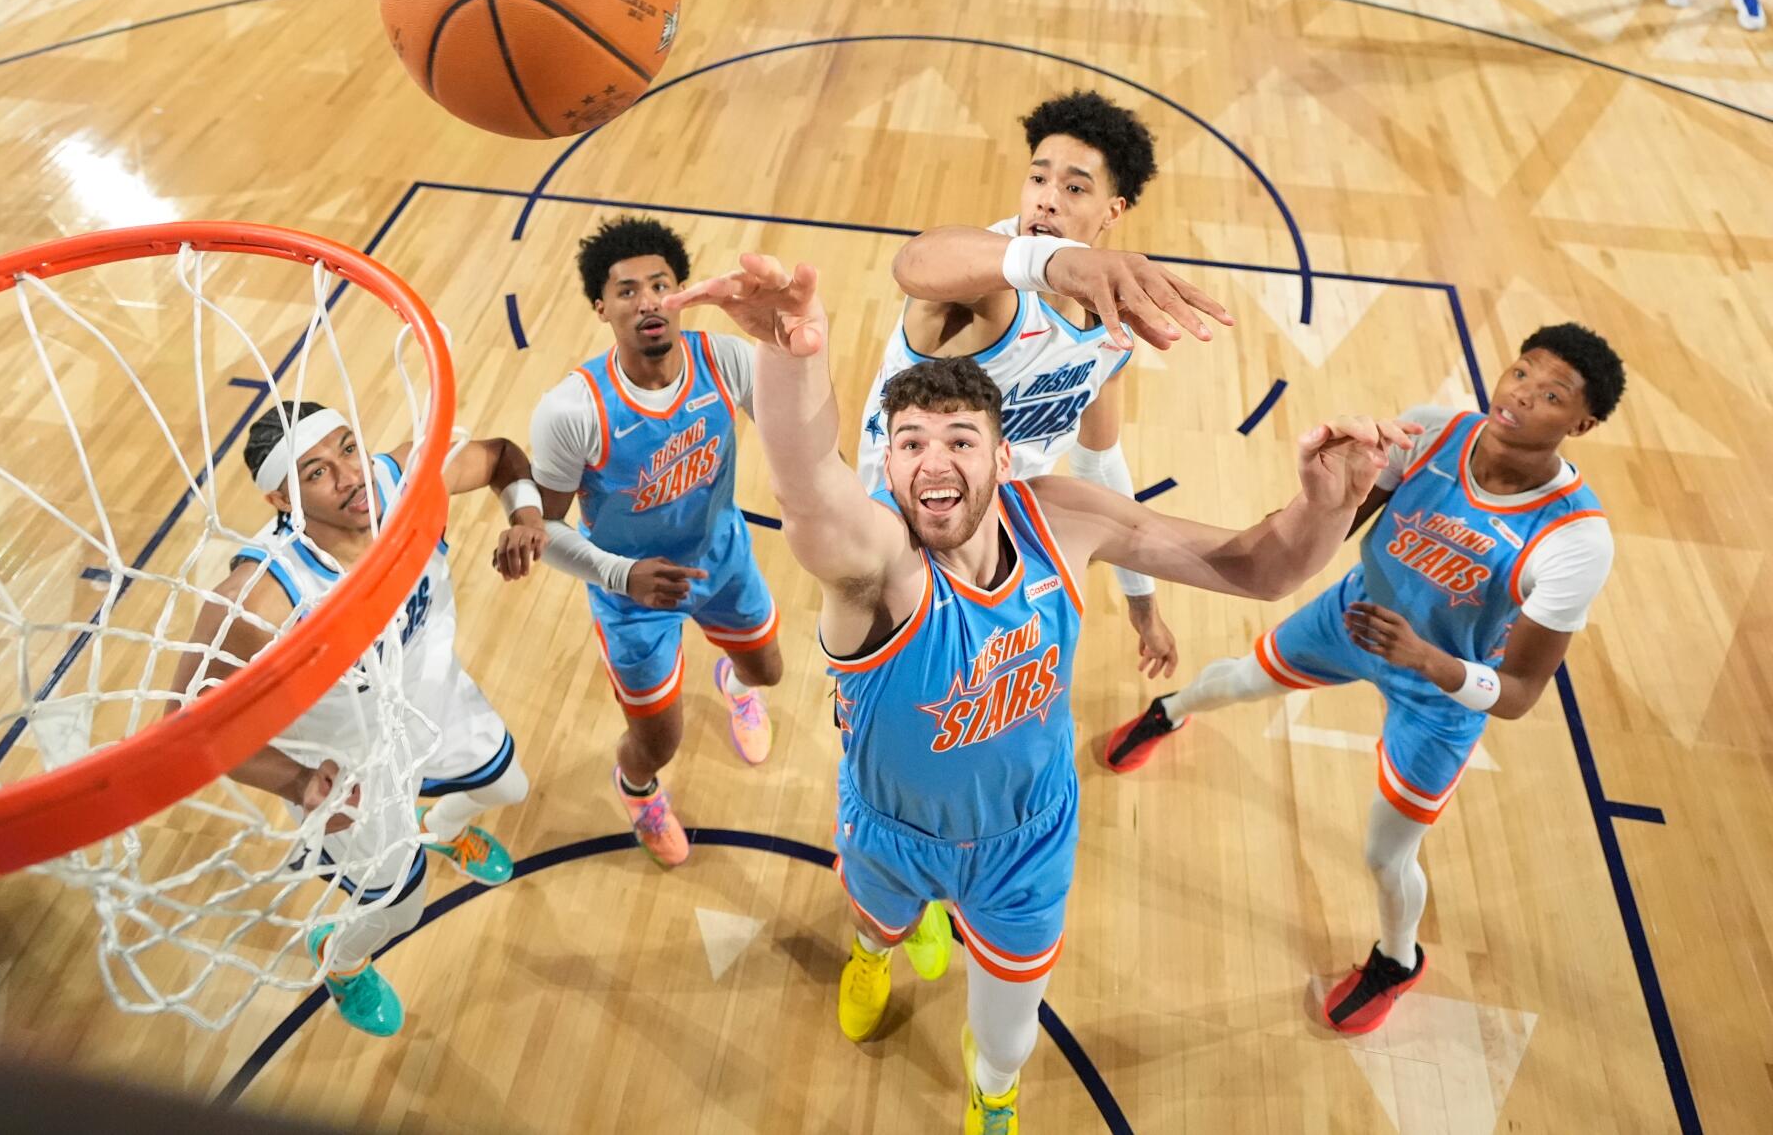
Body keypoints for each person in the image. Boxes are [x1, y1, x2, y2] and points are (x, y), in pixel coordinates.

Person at [668, 251, 1409, 1132]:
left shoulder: (1064, 515)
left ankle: (993, 1095)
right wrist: (794, 353)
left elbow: (1256, 568)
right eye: (909, 443)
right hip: (891, 827)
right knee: (878, 927)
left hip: (1029, 840)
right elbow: (809, 492)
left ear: (1004, 455)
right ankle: (874, 950)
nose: (931, 461)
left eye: (958, 440)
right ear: (888, 463)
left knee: (1007, 1033)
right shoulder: (876, 566)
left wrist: (1326, 505)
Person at [1104, 324, 1622, 1035]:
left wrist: (1427, 659)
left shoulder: (1575, 540)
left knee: (1385, 854)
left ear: (1582, 423)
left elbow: (1521, 694)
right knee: (1243, 678)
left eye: (1552, 394)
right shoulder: (1432, 431)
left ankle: (1396, 958)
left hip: (1440, 690)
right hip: (1355, 613)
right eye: (1521, 371)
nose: (1521, 395)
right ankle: (1172, 707)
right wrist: (1309, 500)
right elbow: (1334, 523)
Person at [166, 402, 547, 1036]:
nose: (349, 476)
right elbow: (184, 724)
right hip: (346, 764)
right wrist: (293, 782)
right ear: (280, 500)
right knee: (400, 908)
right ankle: (339, 960)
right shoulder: (262, 593)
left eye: (348, 448)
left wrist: (526, 515)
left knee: (509, 787)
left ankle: (441, 824)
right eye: (317, 472)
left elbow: (503, 454)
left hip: (433, 704)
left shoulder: (403, 479)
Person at [860, 90, 1236, 685]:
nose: (1046, 198)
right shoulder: (990, 283)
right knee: (902, 689)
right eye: (1038, 177)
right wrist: (1052, 263)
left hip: (999, 515)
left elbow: (1099, 462)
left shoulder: (1109, 329)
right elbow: (915, 263)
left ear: (1113, 211)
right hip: (900, 517)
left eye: (1075, 188)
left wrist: (1143, 603)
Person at [528, 216, 785, 868]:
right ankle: (637, 789)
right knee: (657, 741)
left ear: (681, 294)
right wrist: (622, 575)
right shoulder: (571, 411)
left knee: (768, 670)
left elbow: (801, 436)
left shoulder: (724, 359)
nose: (647, 301)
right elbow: (543, 530)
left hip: (721, 559)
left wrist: (789, 340)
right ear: (601, 307)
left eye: (661, 285)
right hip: (631, 595)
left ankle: (731, 675)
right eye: (627, 290)